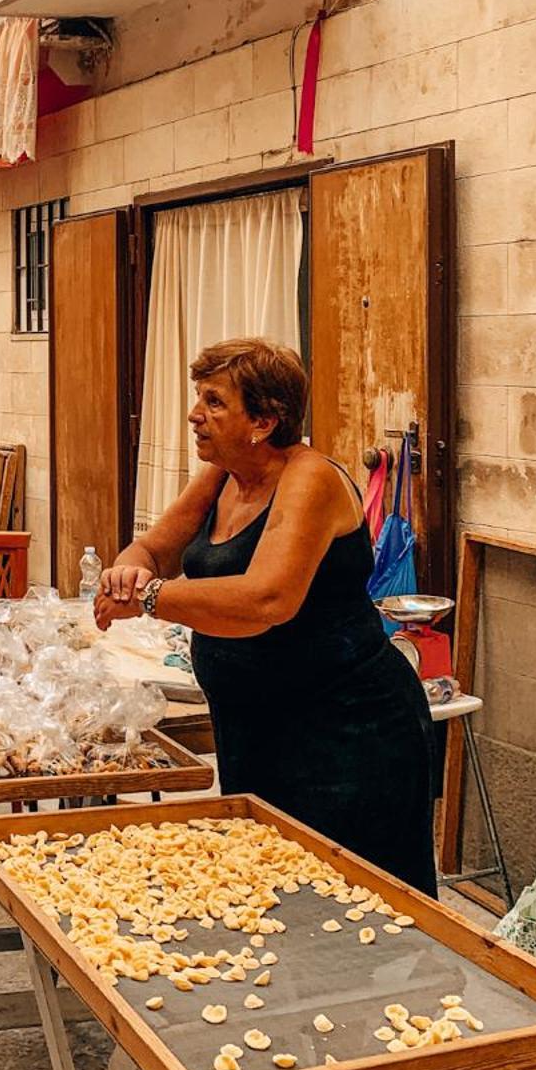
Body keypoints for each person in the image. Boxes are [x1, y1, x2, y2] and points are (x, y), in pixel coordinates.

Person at [93, 338, 438, 894]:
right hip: (255, 725)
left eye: (214, 402)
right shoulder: (222, 473)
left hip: (344, 732)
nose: (194, 414)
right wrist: (125, 570)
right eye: (198, 398)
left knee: (354, 903)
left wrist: (151, 598)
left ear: (263, 420)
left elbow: (267, 600)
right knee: (267, 887)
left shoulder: (310, 479)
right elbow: (154, 549)